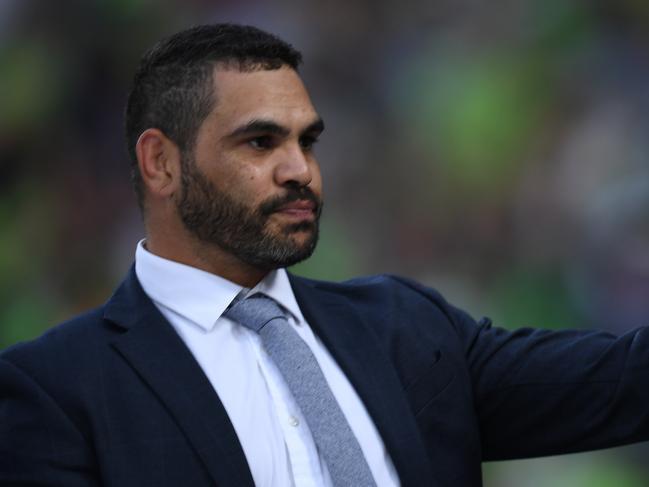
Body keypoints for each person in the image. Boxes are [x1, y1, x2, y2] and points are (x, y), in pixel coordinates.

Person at [1, 23, 649, 487]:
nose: (300, 169)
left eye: (306, 141)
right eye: (259, 143)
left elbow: (621, 382)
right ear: (161, 162)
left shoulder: (404, 324)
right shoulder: (55, 388)